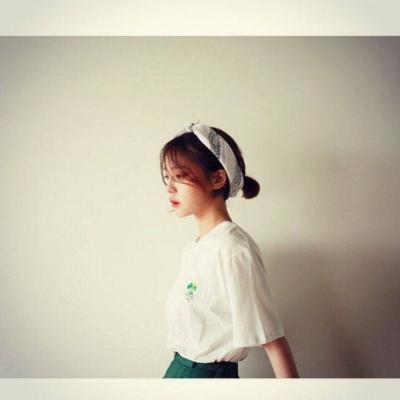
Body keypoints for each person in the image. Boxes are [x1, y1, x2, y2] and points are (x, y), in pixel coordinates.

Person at [160, 122, 299, 378]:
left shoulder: (234, 249)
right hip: (181, 370)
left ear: (217, 179)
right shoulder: (194, 249)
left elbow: (272, 339)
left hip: (207, 378)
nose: (169, 187)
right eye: (167, 177)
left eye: (179, 176)